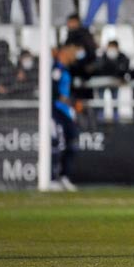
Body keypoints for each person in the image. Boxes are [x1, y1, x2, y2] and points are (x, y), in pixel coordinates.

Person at [51, 43, 80, 191]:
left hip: (66, 111)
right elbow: (53, 91)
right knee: (55, 143)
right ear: (64, 53)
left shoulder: (67, 69)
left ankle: (64, 176)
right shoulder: (56, 68)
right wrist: (68, 101)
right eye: (73, 53)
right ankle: (51, 178)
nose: (74, 57)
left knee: (72, 142)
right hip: (55, 111)